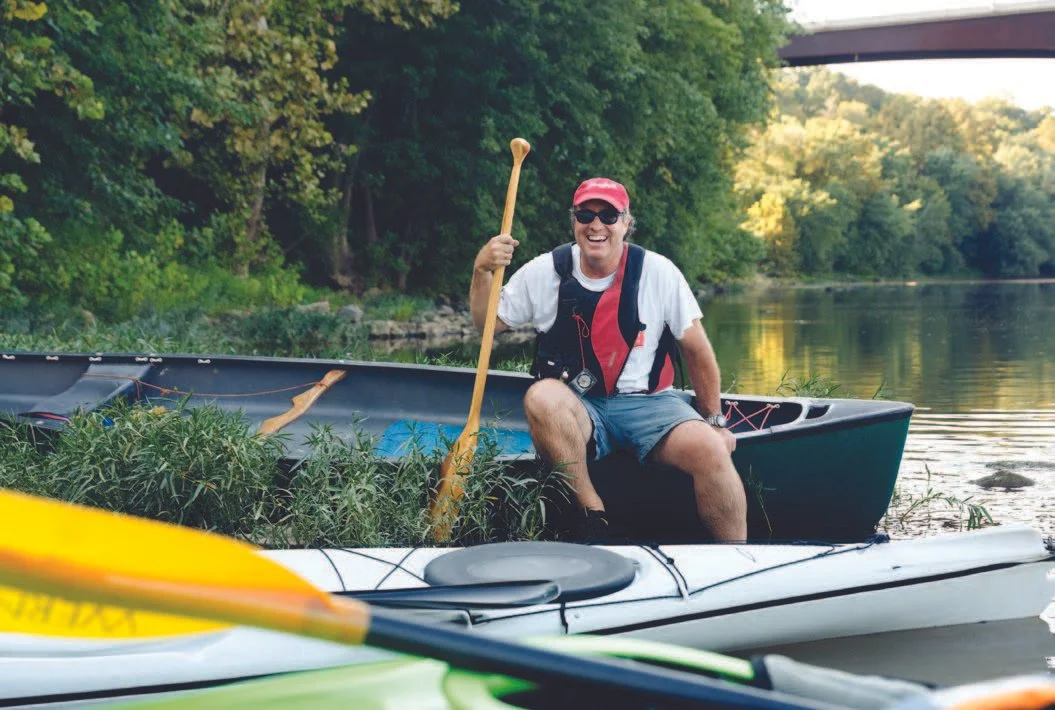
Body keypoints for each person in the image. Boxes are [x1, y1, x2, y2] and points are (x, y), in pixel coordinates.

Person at [470, 177, 747, 542]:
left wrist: (714, 420)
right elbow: (487, 325)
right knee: (541, 397)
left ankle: (735, 557)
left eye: (608, 215)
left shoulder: (658, 272)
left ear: (626, 222)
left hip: (650, 404)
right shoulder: (545, 271)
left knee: (712, 449)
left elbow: (697, 351)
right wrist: (481, 271)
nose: (596, 225)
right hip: (579, 407)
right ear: (574, 221)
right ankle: (592, 513)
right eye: (586, 214)